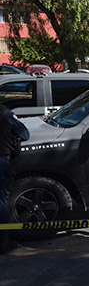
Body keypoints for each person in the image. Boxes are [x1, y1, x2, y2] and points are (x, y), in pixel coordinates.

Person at [0, 104, 30, 253]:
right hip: (1, 161)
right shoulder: (5, 114)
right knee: (1, 201)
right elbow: (25, 134)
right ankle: (3, 241)